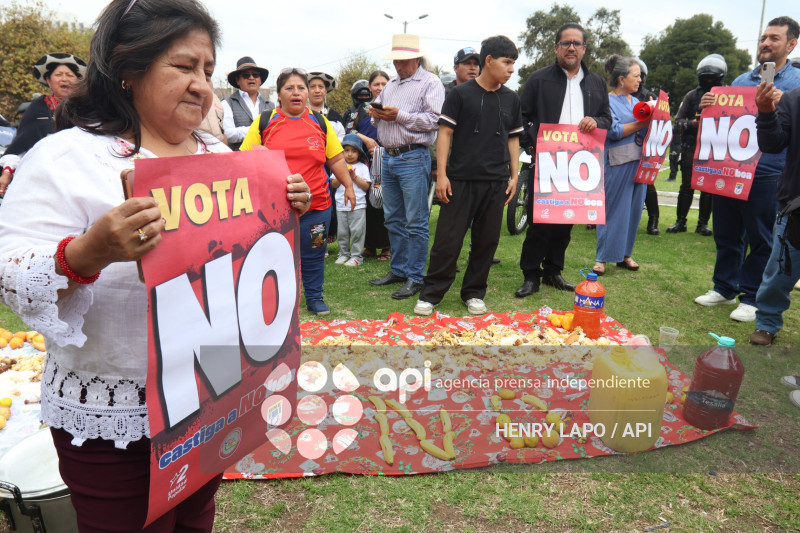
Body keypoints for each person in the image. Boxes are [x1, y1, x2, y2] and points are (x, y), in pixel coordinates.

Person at [0, 0, 312, 530]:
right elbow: (12, 275)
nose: (202, 85)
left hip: (210, 398)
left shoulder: (220, 155)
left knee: (195, 519)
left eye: (208, 70)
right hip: (116, 416)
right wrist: (89, 251)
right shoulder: (67, 157)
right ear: (128, 69)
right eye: (184, 66)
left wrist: (284, 206)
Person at [695, 17, 800, 323]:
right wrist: (709, 104)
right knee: (727, 233)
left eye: (775, 38)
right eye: (763, 38)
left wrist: (785, 104)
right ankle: (724, 287)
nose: (766, 43)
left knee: (763, 238)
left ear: (791, 44)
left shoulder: (795, 85)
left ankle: (751, 296)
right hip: (730, 169)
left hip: (769, 171)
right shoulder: (740, 82)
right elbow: (723, 120)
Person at [414, 35, 522, 317]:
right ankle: (431, 294)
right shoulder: (460, 94)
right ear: (489, 61)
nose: (511, 69)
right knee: (447, 241)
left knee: (487, 242)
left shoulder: (512, 99)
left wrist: (514, 176)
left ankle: (474, 292)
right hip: (459, 181)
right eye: (507, 62)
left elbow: (513, 140)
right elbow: (445, 133)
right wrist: (442, 174)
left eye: (514, 64)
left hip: (496, 182)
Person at [240, 68, 356, 316]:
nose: (296, 93)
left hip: (317, 207)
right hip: (275, 210)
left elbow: (335, 159)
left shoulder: (320, 122)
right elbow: (243, 160)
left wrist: (348, 186)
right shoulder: (264, 121)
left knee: (314, 253)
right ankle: (278, 304)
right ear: (279, 94)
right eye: (289, 88)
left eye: (301, 88)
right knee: (275, 257)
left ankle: (314, 298)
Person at [514, 22, 612, 298]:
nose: (571, 48)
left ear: (583, 49)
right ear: (556, 48)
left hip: (580, 164)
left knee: (566, 222)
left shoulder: (596, 83)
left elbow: (607, 118)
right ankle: (531, 275)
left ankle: (553, 270)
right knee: (540, 221)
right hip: (547, 162)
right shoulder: (538, 79)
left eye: (576, 43)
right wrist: (532, 146)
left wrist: (598, 121)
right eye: (565, 43)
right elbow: (521, 118)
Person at [369, 34, 444, 300]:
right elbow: (381, 122)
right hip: (389, 156)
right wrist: (376, 115)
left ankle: (415, 276)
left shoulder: (431, 82)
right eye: (396, 61)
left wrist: (397, 115)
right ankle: (399, 270)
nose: (399, 65)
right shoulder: (390, 84)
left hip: (413, 156)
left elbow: (434, 121)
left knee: (415, 221)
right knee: (393, 219)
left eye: (403, 60)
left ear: (416, 58)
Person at [748, 68, 800, 345]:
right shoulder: (794, 99)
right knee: (780, 271)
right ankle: (767, 323)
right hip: (795, 205)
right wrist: (766, 111)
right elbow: (772, 144)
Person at [593, 56, 651, 275]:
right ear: (621, 79)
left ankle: (626, 254)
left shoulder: (638, 103)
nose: (639, 81)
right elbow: (614, 131)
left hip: (639, 163)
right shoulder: (606, 102)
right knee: (613, 210)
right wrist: (642, 124)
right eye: (636, 76)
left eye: (640, 77)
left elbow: (646, 132)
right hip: (616, 162)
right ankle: (602, 258)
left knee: (634, 210)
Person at [0, 53, 86, 196]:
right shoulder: (38, 108)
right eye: (58, 75)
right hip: (40, 177)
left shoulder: (89, 110)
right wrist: (7, 173)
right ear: (48, 81)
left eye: (70, 75)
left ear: (78, 81)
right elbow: (22, 145)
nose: (64, 79)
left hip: (78, 178)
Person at [666, 54, 726, 236]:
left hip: (715, 148)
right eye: (705, 77)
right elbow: (678, 121)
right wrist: (692, 123)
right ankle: (680, 222)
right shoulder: (691, 96)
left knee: (708, 187)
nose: (708, 81)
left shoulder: (728, 96)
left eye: (712, 78)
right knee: (686, 185)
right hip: (692, 146)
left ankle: (703, 224)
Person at [345, 71, 393, 262]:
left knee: (386, 203)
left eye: (384, 84)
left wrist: (382, 149)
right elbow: (350, 129)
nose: (380, 88)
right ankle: (370, 246)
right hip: (366, 161)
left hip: (389, 159)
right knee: (367, 204)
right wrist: (368, 141)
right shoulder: (362, 109)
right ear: (370, 86)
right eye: (376, 84)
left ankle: (387, 248)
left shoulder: (394, 105)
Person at [632, 59, 661, 236]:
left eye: (638, 76)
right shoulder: (620, 96)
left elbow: (662, 123)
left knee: (648, 183)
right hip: (624, 144)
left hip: (645, 146)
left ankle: (653, 219)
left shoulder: (650, 96)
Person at [332, 134, 371, 266]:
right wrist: (342, 175)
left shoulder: (362, 167)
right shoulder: (339, 166)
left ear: (359, 153)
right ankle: (343, 253)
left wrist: (354, 177)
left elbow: (366, 186)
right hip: (341, 205)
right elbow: (333, 184)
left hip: (358, 205)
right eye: (346, 150)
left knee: (357, 232)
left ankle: (356, 256)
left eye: (353, 151)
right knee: (342, 232)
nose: (349, 154)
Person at [221, 56, 274, 150]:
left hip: (265, 160)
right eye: (246, 75)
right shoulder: (227, 103)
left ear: (260, 80)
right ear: (238, 80)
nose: (251, 78)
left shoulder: (270, 105)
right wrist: (256, 129)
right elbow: (228, 134)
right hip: (239, 160)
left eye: (255, 75)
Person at [308, 71, 345, 140]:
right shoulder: (299, 114)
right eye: (312, 87)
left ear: (326, 91)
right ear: (307, 90)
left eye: (321, 87)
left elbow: (341, 140)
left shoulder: (335, 116)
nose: (317, 91)